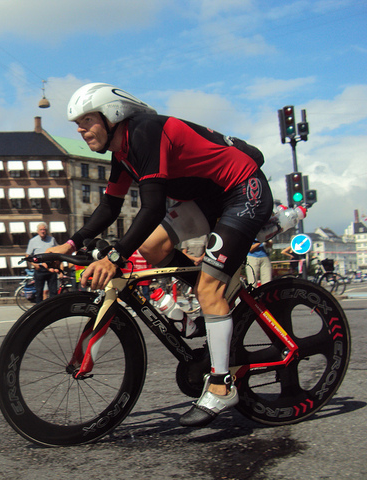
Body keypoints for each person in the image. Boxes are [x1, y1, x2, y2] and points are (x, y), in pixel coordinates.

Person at [49, 83, 274, 427]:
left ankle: (221, 384)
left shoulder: (145, 134)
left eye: (86, 120)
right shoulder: (122, 152)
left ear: (112, 116)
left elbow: (152, 208)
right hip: (209, 198)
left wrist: (114, 257)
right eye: (77, 123)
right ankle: (207, 302)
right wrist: (70, 244)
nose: (80, 129)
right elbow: (110, 205)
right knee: (153, 248)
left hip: (243, 191)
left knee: (208, 290)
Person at [25, 222, 59, 303]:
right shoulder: (33, 241)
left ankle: (53, 307)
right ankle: (39, 309)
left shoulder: (52, 240)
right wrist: (34, 264)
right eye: (41, 230)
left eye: (44, 229)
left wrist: (57, 265)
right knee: (39, 291)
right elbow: (28, 255)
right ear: (37, 231)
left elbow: (58, 252)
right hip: (40, 269)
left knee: (53, 291)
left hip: (51, 268)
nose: (42, 231)